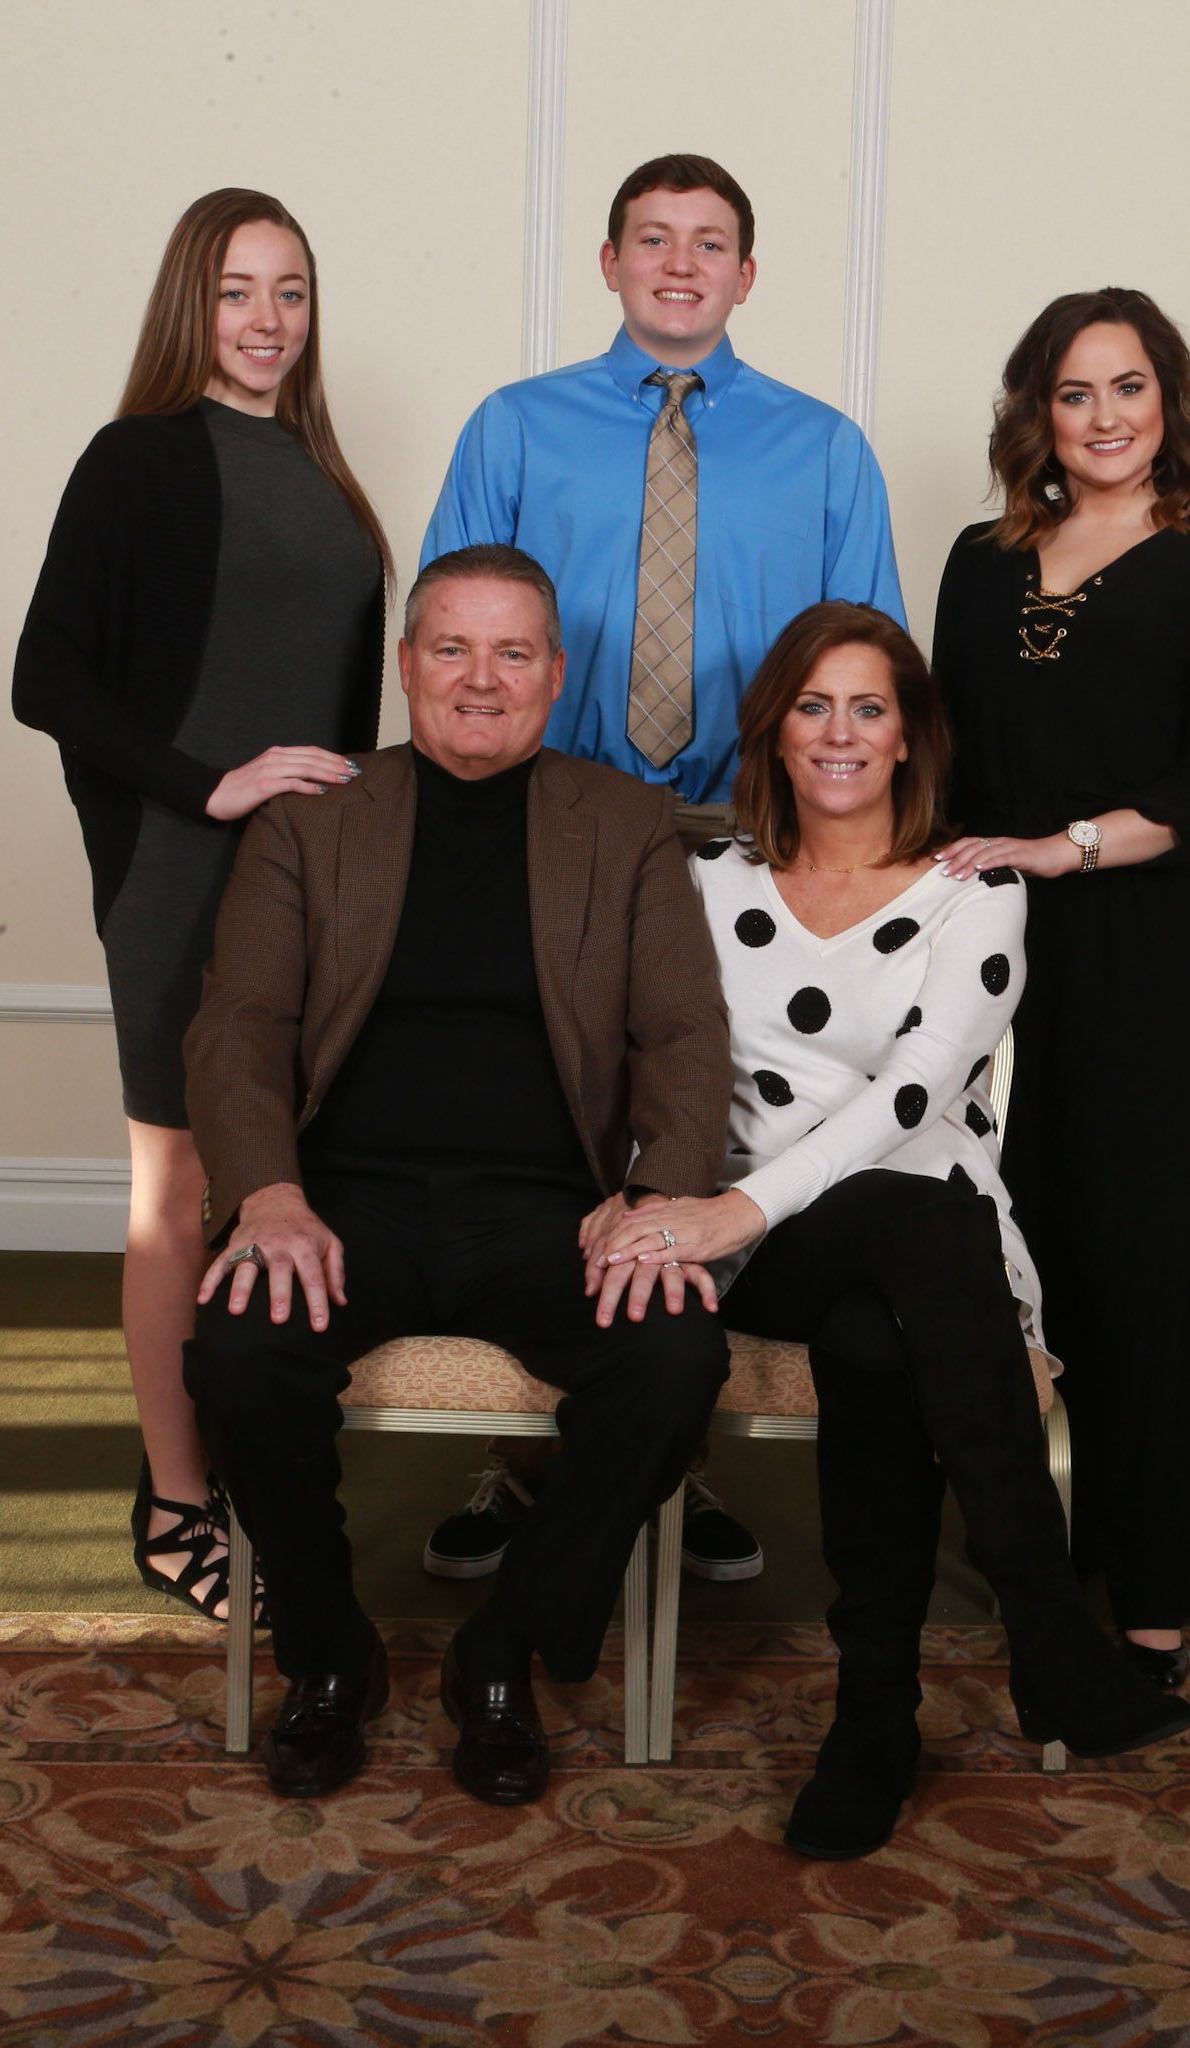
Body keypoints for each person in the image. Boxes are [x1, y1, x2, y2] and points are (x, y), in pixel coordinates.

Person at [584, 602, 1190, 1861]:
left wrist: (742, 1201)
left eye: (870, 706)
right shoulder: (704, 886)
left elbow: (913, 1093)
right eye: (814, 705)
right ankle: (1049, 1635)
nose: (841, 732)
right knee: (908, 1231)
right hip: (760, 1249)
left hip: (910, 1254)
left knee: (885, 1310)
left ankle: (874, 1720)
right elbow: (649, 1064)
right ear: (776, 729)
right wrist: (686, 1201)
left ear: (911, 735)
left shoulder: (977, 889)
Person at [420, 152, 906, 1580]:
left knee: (698, 1136)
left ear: (746, 276)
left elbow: (862, 672)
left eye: (708, 245)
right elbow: (454, 637)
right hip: (549, 828)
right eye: (652, 240)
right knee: (549, 1124)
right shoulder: (513, 427)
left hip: (744, 847)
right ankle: (516, 1458)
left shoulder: (824, 451)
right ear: (609, 263)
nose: (679, 265)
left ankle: (664, 1462)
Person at [182, 546, 732, 1805]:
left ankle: (503, 1647)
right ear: (407, 666)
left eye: (513, 652)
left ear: (555, 672)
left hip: (550, 1209)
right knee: (234, 1345)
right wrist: (268, 1193)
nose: (480, 680)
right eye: (451, 648)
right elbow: (240, 1026)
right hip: (341, 1200)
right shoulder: (312, 815)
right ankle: (328, 1648)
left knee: (673, 1355)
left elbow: (685, 1034)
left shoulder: (627, 822)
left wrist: (656, 1199)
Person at [12, 189, 391, 1622]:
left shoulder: (326, 477)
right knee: (176, 1196)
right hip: (181, 876)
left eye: (290, 291)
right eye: (238, 292)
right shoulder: (137, 461)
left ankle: (262, 1457)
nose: (267, 321)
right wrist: (205, 784)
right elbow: (45, 680)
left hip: (309, 887)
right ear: (191, 304)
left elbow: (341, 716)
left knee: (283, 1179)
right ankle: (175, 1499)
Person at [930, 288, 1190, 1688]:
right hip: (988, 935)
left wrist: (1055, 850)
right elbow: (941, 754)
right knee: (1014, 1226)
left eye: (1127, 389)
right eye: (1073, 394)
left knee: (1145, 1252)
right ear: (1036, 413)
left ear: (1169, 404)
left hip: (1152, 945)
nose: (1102, 418)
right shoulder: (975, 561)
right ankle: (1038, 1536)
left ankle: (1151, 1575)